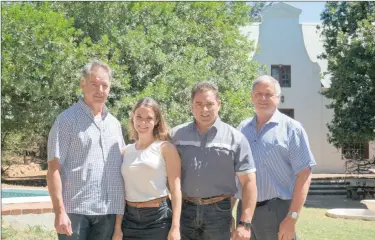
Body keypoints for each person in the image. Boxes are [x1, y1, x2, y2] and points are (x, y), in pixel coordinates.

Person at [47, 60, 125, 240]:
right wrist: (60, 213)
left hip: (108, 212)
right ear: (83, 84)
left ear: (110, 88)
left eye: (104, 85)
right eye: (94, 84)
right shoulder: (66, 120)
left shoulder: (114, 124)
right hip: (75, 212)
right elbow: (53, 170)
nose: (100, 90)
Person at [171, 81, 257, 240]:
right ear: (191, 106)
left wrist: (245, 223)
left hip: (219, 212)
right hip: (184, 211)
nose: (204, 109)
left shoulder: (236, 139)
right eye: (199, 104)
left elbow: (249, 182)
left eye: (209, 104)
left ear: (219, 104)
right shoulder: (176, 136)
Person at [236, 75, 317, 240]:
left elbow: (304, 175)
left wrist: (292, 218)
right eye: (258, 94)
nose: (263, 98)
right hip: (244, 213)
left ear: (278, 98)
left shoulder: (292, 129)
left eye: (269, 94)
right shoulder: (242, 129)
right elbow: (234, 174)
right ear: (252, 97)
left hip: (277, 211)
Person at [114, 97, 182, 240]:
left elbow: (176, 190)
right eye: (139, 116)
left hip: (158, 219)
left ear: (156, 120)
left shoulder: (165, 148)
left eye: (149, 118)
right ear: (133, 117)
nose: (143, 122)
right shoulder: (126, 151)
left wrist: (175, 227)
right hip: (129, 219)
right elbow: (120, 192)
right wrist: (117, 228)